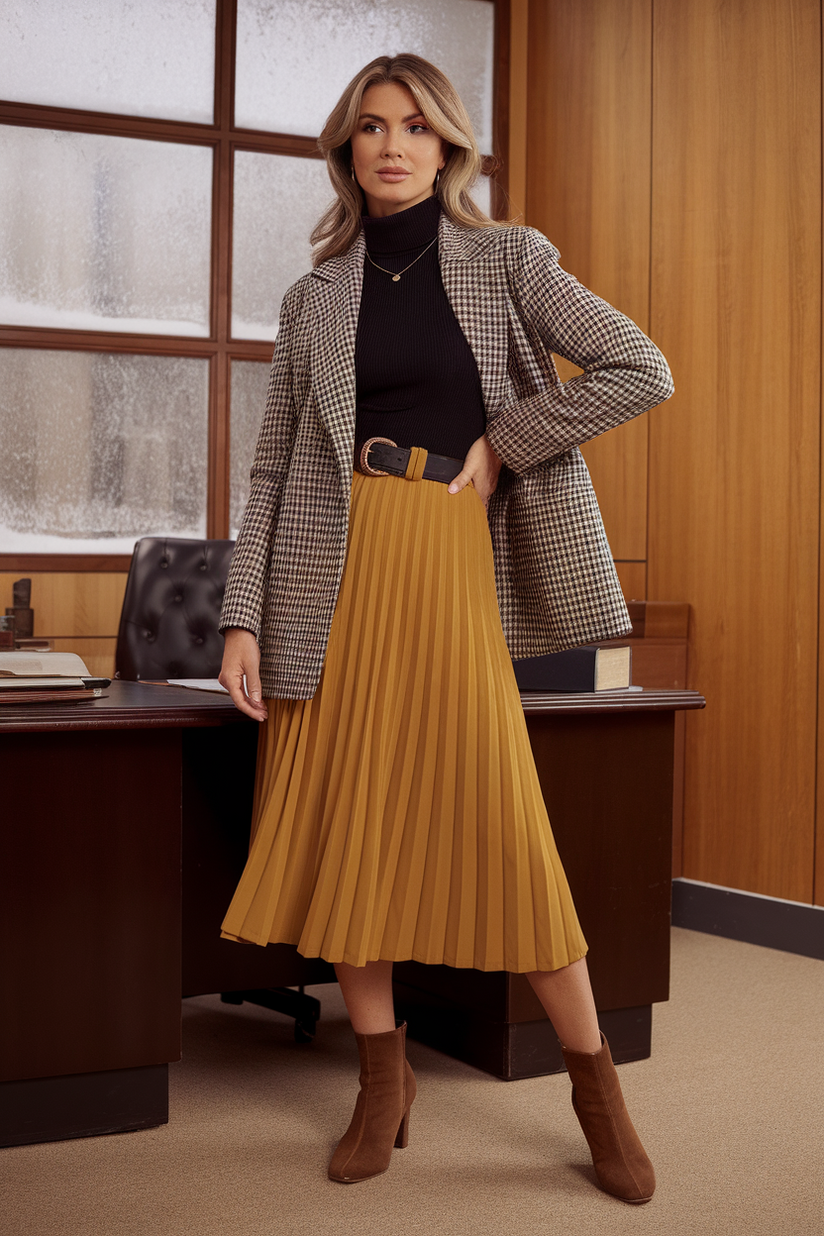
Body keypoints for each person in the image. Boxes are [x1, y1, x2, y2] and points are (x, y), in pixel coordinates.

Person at [218, 53, 673, 1204]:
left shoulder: (505, 257)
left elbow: (637, 368)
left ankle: (593, 1089)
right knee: (345, 824)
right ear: (344, 148)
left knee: (502, 824)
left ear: (448, 146)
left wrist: (503, 440)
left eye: (414, 127)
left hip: (445, 555)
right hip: (328, 572)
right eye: (370, 127)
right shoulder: (311, 294)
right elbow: (273, 467)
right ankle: (382, 1080)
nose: (391, 145)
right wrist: (240, 620)